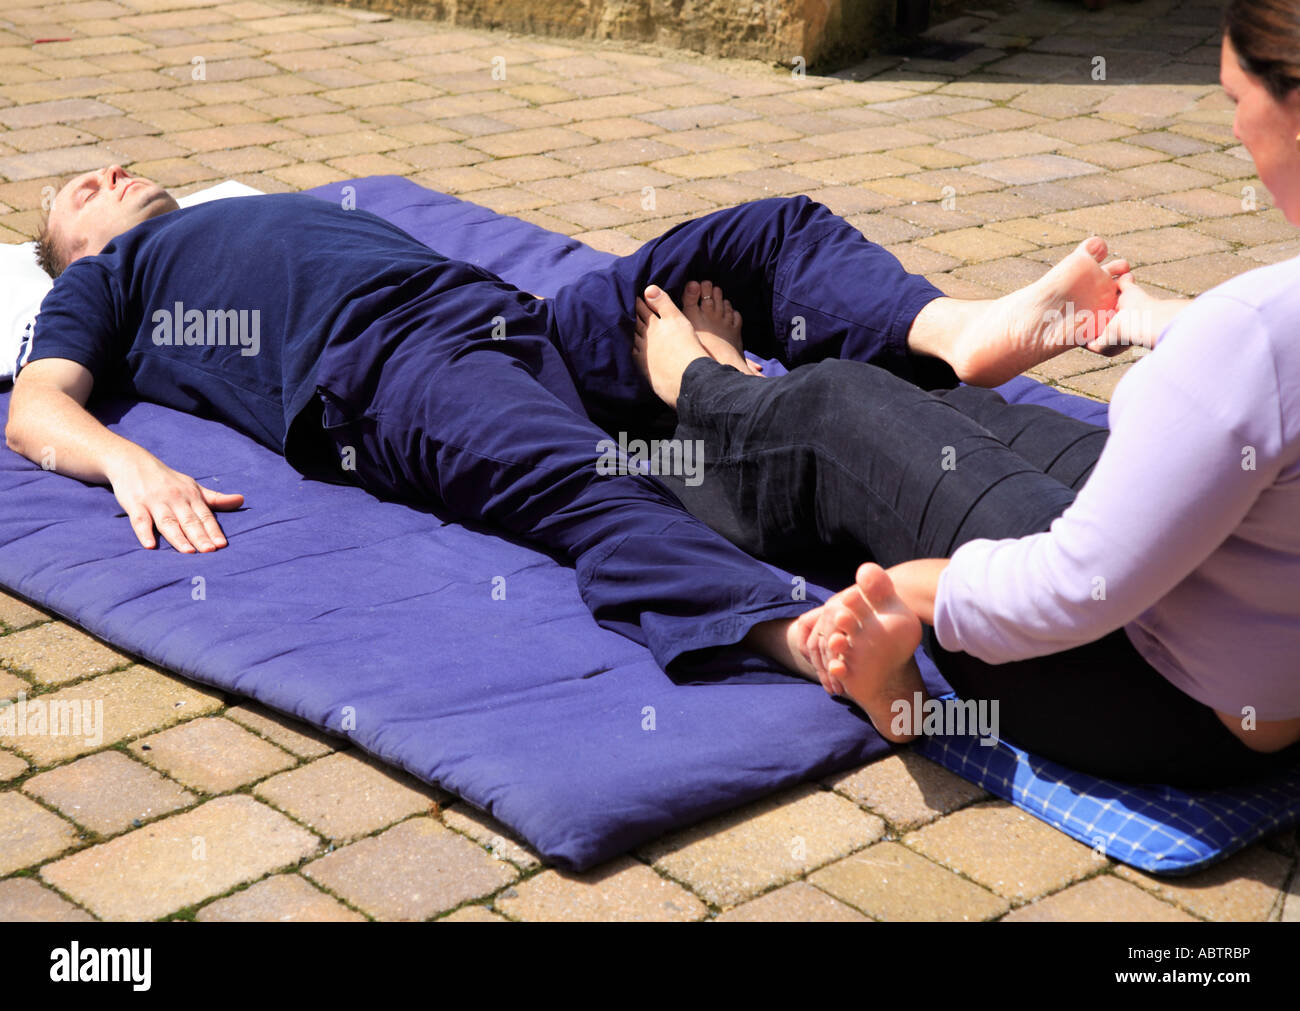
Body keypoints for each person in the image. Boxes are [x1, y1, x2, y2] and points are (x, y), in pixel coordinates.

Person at [8, 164, 1120, 686]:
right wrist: (128, 466)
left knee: (759, 232)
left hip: (523, 317)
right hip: (389, 375)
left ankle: (955, 329)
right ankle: (804, 642)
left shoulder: (247, 205)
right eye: (75, 190)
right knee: (592, 486)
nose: (104, 172)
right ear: (67, 247)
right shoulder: (109, 282)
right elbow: (37, 407)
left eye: (110, 164)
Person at [630, 0, 1300, 788]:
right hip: (1250, 646)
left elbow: (1067, 590)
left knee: (842, 408)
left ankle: (710, 390)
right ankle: (943, 351)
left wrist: (915, 589)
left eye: (1234, 101)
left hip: (1146, 698)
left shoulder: (1251, 334)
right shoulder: (1252, 331)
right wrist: (1160, 322)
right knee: (966, 419)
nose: (1231, 130)